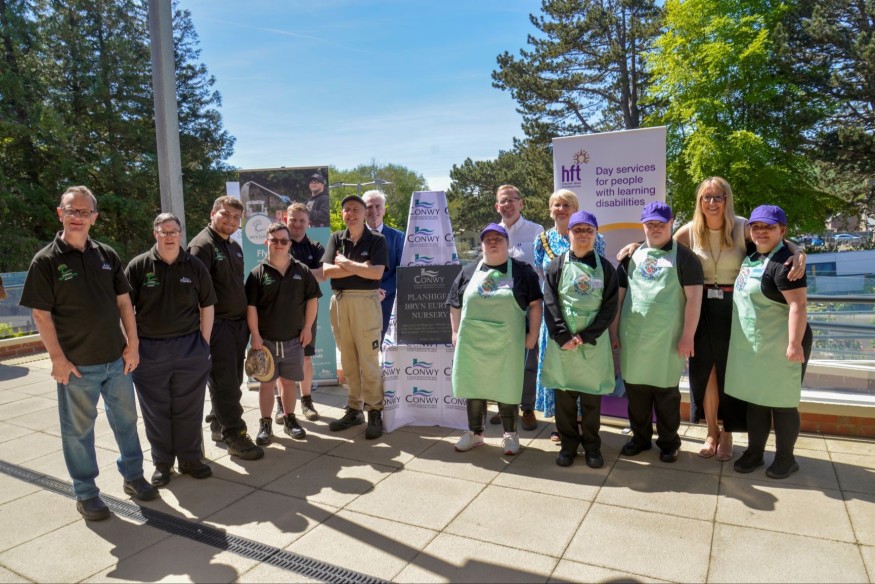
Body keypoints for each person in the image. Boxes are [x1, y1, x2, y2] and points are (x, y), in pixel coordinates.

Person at [617, 177, 805, 461]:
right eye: (706, 197)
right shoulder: (690, 230)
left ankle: (727, 434)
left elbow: (775, 238)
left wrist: (799, 251)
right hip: (701, 305)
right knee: (706, 373)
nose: (712, 202)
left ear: (727, 199)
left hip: (734, 306)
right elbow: (658, 242)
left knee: (730, 371)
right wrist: (635, 245)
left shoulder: (742, 226)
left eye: (718, 197)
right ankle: (711, 432)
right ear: (700, 201)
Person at [20, 186, 157, 521]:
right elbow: (41, 315)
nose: (78, 217)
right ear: (60, 213)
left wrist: (133, 345)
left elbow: (124, 302)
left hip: (117, 361)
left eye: (85, 212)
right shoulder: (46, 261)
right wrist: (58, 360)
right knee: (78, 432)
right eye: (72, 210)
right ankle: (86, 493)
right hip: (77, 367)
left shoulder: (106, 255)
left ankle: (133, 476)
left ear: (94, 217)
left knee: (126, 422)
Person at [125, 213, 216, 487]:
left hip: (189, 347)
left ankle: (190, 459)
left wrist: (203, 344)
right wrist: (132, 345)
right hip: (150, 351)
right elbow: (124, 308)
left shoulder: (195, 266)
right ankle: (162, 463)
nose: (169, 236)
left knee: (189, 408)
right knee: (156, 411)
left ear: (180, 234)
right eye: (164, 231)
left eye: (173, 231)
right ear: (155, 233)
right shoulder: (139, 266)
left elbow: (207, 305)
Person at [611, 201, 703, 463]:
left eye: (660, 223)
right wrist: (614, 333)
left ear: (671, 223)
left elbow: (694, 300)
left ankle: (668, 442)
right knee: (636, 394)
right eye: (650, 224)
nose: (655, 228)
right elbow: (618, 298)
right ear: (643, 225)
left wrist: (688, 336)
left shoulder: (685, 258)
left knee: (666, 395)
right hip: (634, 338)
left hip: (668, 340)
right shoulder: (630, 257)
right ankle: (640, 438)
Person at [726, 205, 812, 479]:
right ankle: (755, 452)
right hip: (757, 345)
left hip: (783, 344)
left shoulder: (786, 263)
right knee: (757, 400)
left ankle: (786, 458)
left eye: (769, 227)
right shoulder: (751, 256)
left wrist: (794, 344)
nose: (761, 232)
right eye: (756, 226)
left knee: (782, 403)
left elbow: (798, 305)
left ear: (782, 230)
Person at [447, 224, 543, 455]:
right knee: (473, 386)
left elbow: (535, 304)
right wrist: (455, 332)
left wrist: (533, 334)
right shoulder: (469, 271)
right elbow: (454, 303)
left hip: (507, 343)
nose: (492, 242)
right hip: (472, 342)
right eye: (487, 239)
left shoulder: (522, 271)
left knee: (507, 386)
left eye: (498, 239)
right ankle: (475, 433)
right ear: (481, 245)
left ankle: (510, 435)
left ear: (507, 243)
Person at [188, 196, 264, 460]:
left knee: (231, 380)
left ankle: (217, 424)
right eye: (225, 214)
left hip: (237, 325)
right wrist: (204, 335)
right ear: (213, 213)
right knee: (226, 384)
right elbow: (195, 294)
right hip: (217, 326)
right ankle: (235, 435)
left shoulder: (234, 246)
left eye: (236, 217)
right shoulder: (202, 246)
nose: (231, 221)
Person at [542, 211, 618, 468]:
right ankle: (568, 446)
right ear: (569, 233)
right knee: (564, 402)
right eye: (578, 230)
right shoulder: (556, 266)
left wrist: (586, 335)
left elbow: (609, 307)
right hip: (563, 345)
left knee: (591, 402)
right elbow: (550, 303)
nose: (583, 234)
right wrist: (562, 336)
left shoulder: (606, 268)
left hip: (592, 343)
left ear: (596, 234)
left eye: (588, 230)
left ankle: (592, 447)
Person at [533, 189, 607, 441]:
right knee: (559, 369)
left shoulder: (596, 239)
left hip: (587, 318)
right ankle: (562, 425)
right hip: (556, 319)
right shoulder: (541, 240)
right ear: (550, 209)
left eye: (567, 205)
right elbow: (543, 277)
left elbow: (600, 272)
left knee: (583, 370)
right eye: (557, 205)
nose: (561, 209)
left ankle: (583, 422)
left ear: (576, 210)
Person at [246, 222, 321, 445]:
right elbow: (251, 307)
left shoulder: (302, 270)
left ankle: (290, 420)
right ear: (266, 242)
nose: (279, 244)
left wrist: (307, 328)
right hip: (266, 342)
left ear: (290, 244)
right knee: (267, 384)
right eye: (274, 240)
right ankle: (265, 424)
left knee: (289, 383)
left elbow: (312, 300)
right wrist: (255, 334)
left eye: (283, 240)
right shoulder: (257, 274)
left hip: (294, 340)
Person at [322, 194, 388, 439]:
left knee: (369, 361)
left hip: (365, 303)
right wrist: (360, 267)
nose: (351, 213)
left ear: (363, 213)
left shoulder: (377, 240)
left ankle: (375, 411)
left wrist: (345, 263)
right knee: (348, 360)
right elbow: (327, 271)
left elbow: (376, 274)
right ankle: (354, 408)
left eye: (356, 209)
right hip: (339, 302)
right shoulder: (336, 238)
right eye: (347, 210)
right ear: (342, 214)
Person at [492, 184, 544, 431]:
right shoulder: (492, 232)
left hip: (528, 305)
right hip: (500, 307)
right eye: (503, 201)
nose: (507, 204)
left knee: (528, 359)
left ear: (521, 203)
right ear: (497, 206)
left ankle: (528, 408)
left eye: (512, 199)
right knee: (501, 359)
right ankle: (506, 407)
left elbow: (542, 269)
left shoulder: (536, 231)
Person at [274, 202, 326, 424]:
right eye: (293, 220)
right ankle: (280, 404)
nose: (297, 224)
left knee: (305, 357)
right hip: (280, 310)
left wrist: (295, 274)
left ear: (308, 222)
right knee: (280, 359)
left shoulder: (315, 247)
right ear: (286, 219)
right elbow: (277, 271)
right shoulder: (280, 242)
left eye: (301, 220)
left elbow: (323, 274)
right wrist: (305, 275)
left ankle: (306, 401)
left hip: (307, 310)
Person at [362, 190, 404, 339]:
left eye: (378, 206)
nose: (374, 211)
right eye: (369, 207)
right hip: (360, 301)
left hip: (388, 302)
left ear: (384, 210)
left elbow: (401, 271)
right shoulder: (353, 236)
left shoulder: (399, 237)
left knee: (384, 347)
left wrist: (382, 291)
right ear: (363, 211)